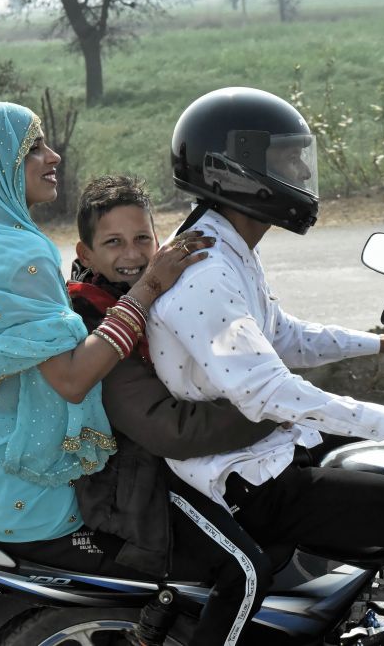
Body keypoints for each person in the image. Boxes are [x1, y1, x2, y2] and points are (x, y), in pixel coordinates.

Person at [151, 87, 384, 646]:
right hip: (249, 481)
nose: (300, 173)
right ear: (236, 168)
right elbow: (267, 389)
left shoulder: (226, 246)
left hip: (266, 454)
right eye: (285, 161)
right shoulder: (204, 271)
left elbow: (283, 336)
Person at [0, 102, 209, 571]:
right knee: (170, 558)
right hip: (19, 484)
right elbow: (71, 380)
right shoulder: (21, 254)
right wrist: (150, 286)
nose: (53, 157)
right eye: (33, 148)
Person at [67, 174, 281, 646]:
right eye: (113, 243)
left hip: (175, 462)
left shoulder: (163, 290)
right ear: (86, 255)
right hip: (134, 477)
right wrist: (273, 409)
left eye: (142, 238)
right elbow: (167, 430)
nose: (132, 254)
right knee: (245, 571)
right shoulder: (93, 318)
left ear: (158, 239)